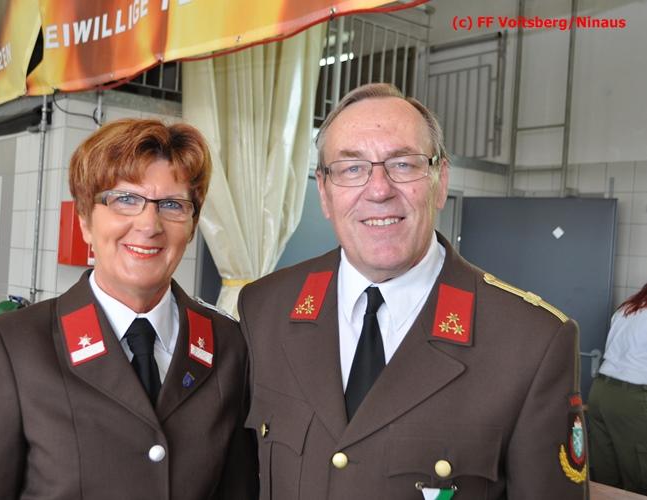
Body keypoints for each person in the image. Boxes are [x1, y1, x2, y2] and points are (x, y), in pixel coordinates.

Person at [238, 83, 588, 499]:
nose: (379, 189)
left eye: (403, 164)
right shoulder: (266, 309)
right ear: (324, 192)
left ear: (440, 181)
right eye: (351, 168)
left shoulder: (531, 342)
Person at [0, 119, 258, 499]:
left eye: (172, 204)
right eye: (125, 199)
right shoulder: (15, 347)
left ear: (191, 227)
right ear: (85, 221)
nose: (149, 224)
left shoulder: (227, 345)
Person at [588, 283, 647, 494]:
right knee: (639, 474)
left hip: (600, 392)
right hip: (631, 399)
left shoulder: (626, 308)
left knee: (605, 472)